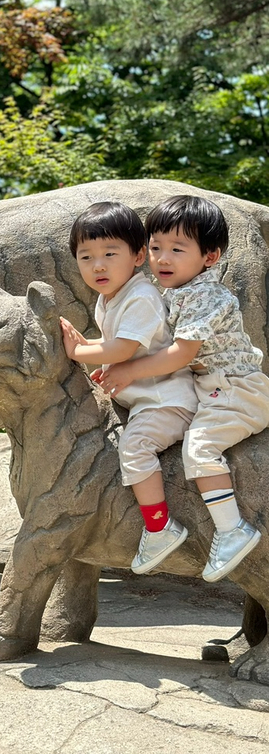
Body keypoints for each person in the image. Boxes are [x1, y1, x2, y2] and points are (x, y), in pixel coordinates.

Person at [100, 194, 269, 581]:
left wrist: (129, 371)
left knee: (200, 448)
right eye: (156, 247)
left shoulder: (207, 295)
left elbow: (180, 353)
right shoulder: (173, 294)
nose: (163, 258)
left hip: (236, 391)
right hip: (212, 390)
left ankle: (232, 529)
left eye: (177, 249)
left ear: (209, 257)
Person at [60, 201, 197, 575]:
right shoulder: (111, 298)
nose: (98, 265)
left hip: (166, 402)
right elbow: (116, 347)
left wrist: (78, 350)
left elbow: (122, 348)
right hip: (143, 399)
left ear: (138, 256)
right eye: (86, 256)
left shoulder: (141, 296)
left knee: (135, 448)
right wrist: (86, 349)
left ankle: (160, 526)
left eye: (109, 253)